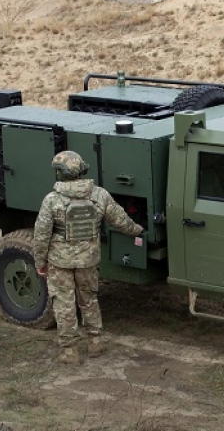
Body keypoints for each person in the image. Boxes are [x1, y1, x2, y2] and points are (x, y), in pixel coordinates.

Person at [33, 150, 144, 365]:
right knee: (90, 299)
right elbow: (120, 220)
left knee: (64, 304)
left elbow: (41, 235)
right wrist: (138, 231)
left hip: (60, 262)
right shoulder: (99, 195)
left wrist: (40, 262)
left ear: (59, 173)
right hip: (89, 260)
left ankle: (70, 352)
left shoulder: (52, 200)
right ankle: (95, 343)